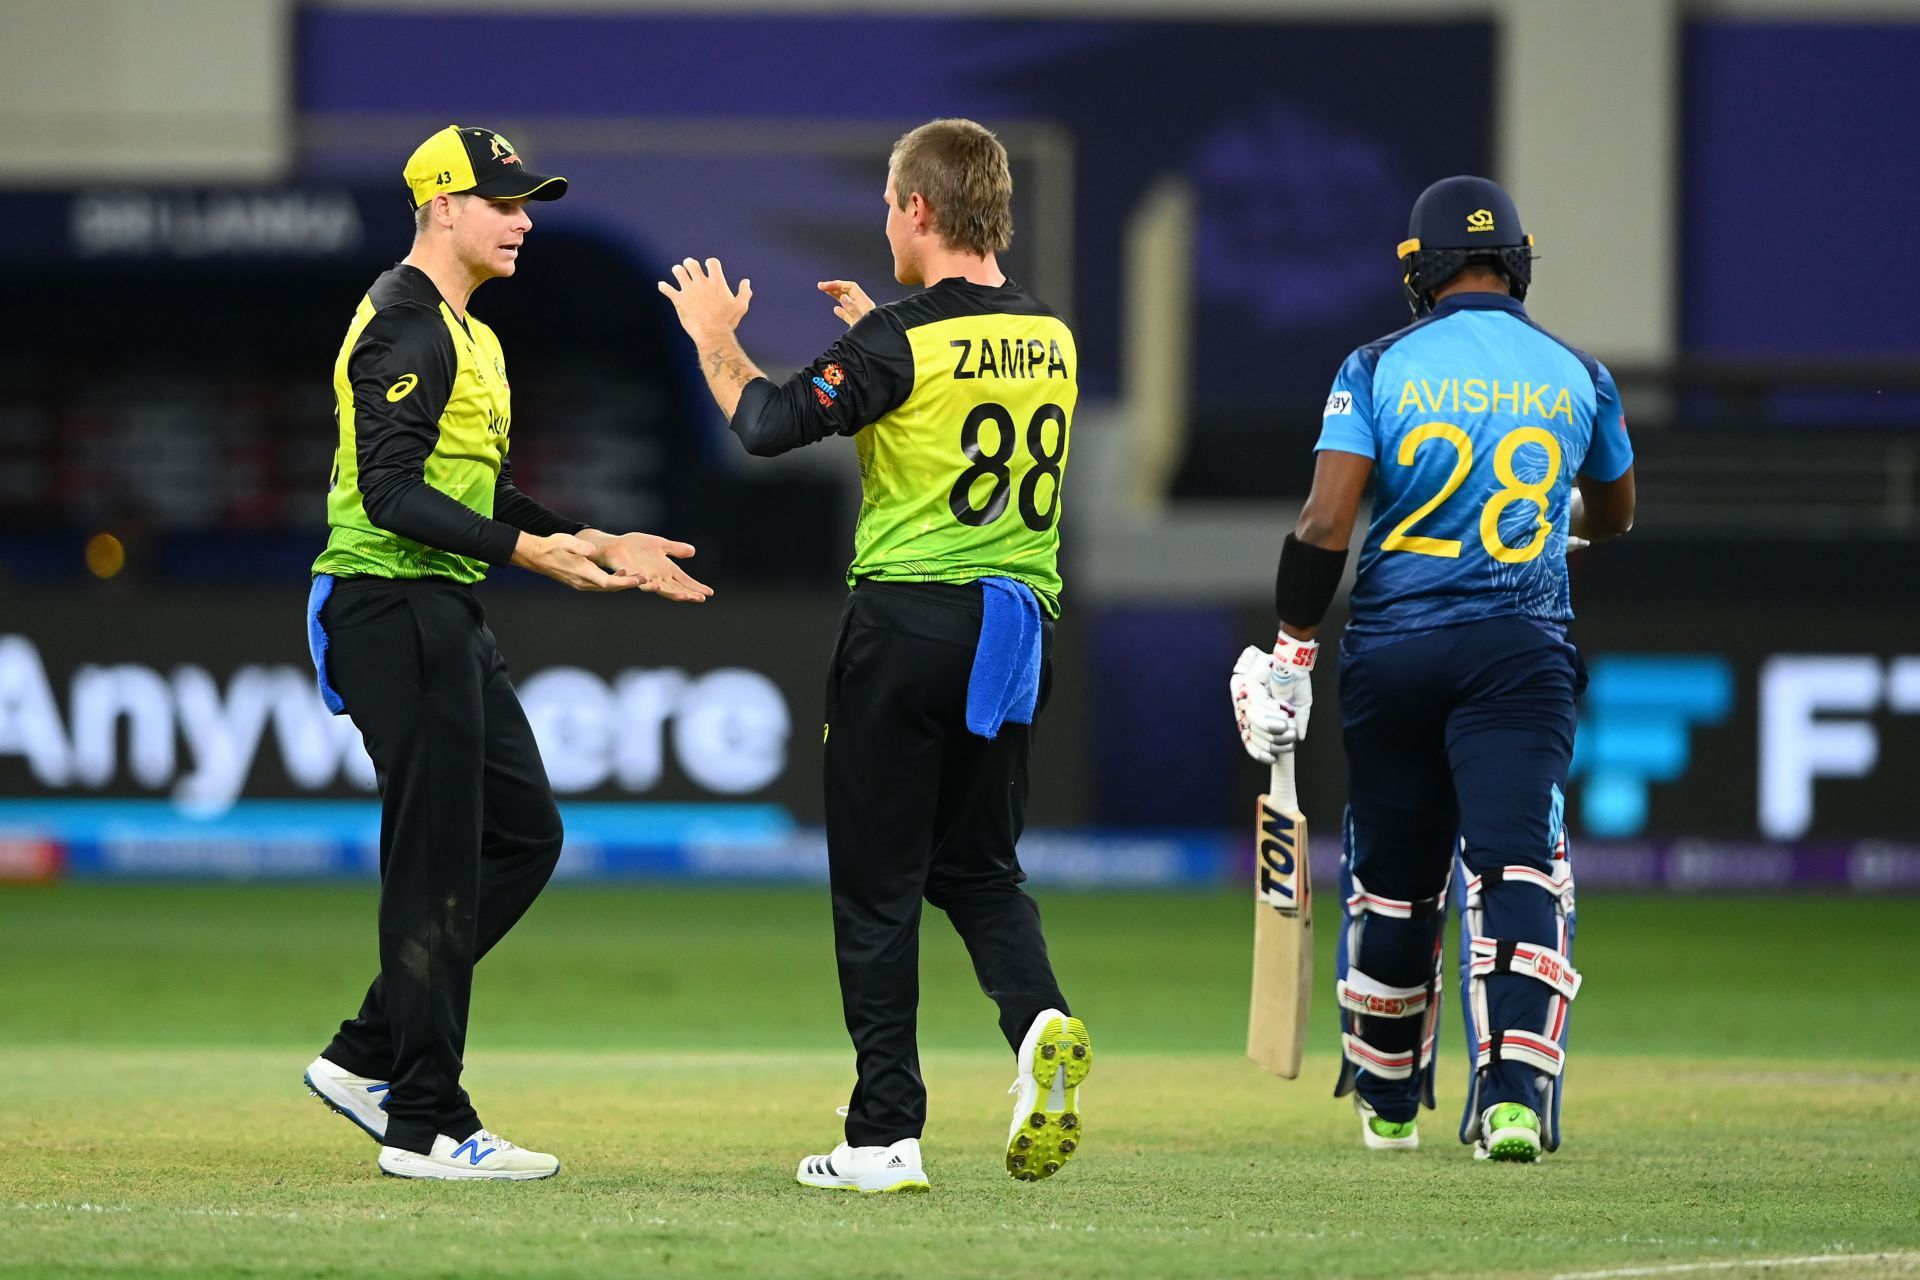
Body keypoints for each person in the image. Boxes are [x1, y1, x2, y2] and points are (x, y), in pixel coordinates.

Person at [657, 118, 1091, 1194]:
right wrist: (878, 335)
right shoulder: (1052, 335)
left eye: (891, 204)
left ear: (918, 211)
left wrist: (713, 334)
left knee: (877, 886)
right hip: (1014, 627)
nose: (885, 220)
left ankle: (883, 1133)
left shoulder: (897, 346)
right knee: (980, 867)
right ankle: (1039, 1023)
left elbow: (763, 423)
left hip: (905, 623)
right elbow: (942, 385)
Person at [301, 124, 712, 1182]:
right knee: (435, 862)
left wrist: (590, 535)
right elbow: (391, 495)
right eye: (505, 202)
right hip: (392, 608)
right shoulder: (404, 322)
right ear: (443, 206)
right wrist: (531, 551)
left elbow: (473, 494)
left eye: (527, 202)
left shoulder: (469, 332)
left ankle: (366, 1053)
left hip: (438, 608)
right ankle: (427, 1122)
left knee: (523, 833)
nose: (525, 220)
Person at [1229, 175, 1635, 1163]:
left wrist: (1290, 650)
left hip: (1396, 651)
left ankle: (1390, 1096)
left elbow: (1327, 521)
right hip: (1519, 654)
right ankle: (1512, 1100)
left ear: (1420, 271)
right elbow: (1616, 513)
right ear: (1517, 261)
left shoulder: (1375, 364)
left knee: (1398, 883)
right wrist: (1550, 521)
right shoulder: (1579, 372)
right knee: (1517, 862)